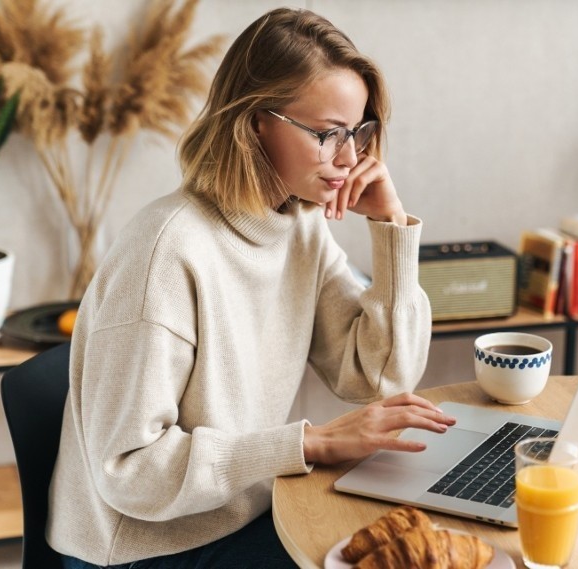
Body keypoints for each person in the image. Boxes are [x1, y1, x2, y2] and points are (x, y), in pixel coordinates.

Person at [50, 7, 456, 568]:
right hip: (145, 549)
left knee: (416, 548)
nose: (349, 159)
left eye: (359, 132)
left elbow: (378, 374)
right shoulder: (166, 251)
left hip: (244, 512)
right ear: (254, 122)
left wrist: (391, 228)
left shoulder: (299, 225)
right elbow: (130, 471)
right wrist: (308, 443)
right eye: (327, 134)